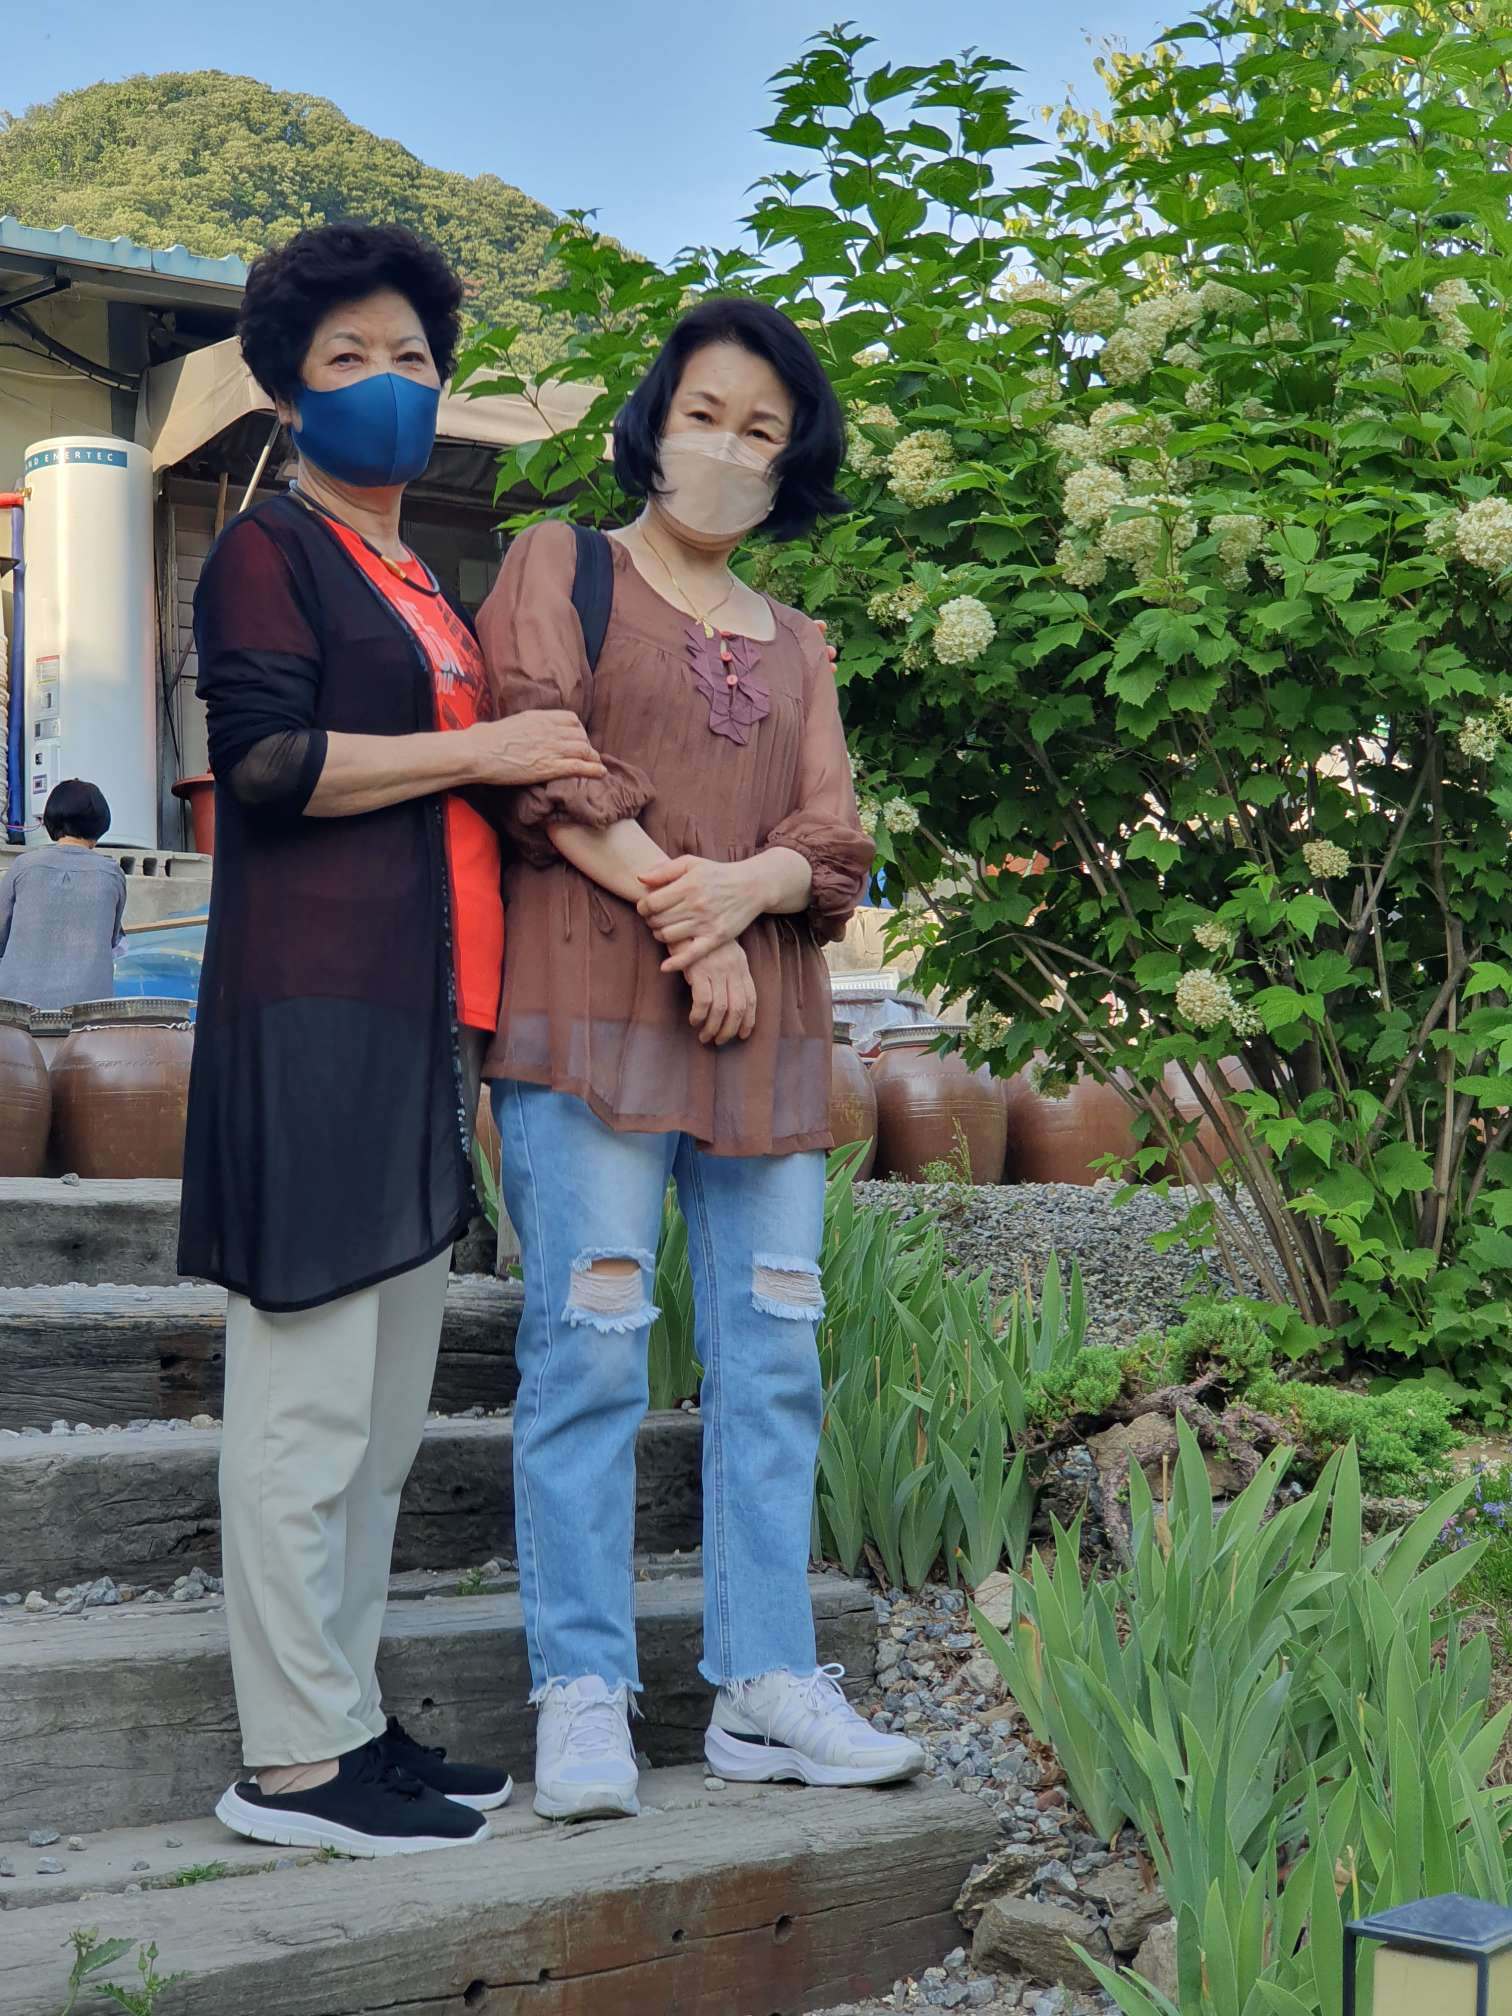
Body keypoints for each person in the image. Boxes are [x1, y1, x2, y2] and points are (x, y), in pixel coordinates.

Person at [178, 221, 605, 1857]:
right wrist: (486, 747)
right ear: (290, 391)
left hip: (429, 1017)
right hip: (314, 1010)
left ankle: (345, 1716)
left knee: (384, 1410)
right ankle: (289, 1764)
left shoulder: (422, 582)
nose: (388, 383)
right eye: (348, 357)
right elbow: (268, 762)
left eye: (413, 358)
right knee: (307, 1402)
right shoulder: (267, 549)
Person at [477, 296, 926, 1821]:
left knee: (777, 1356)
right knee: (593, 1347)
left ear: (793, 464)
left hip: (767, 1046)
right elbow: (546, 759)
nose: (728, 449)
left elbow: (835, 841)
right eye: (704, 415)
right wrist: (703, 915)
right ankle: (582, 1690)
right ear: (652, 423)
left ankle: (764, 1683)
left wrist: (747, 895)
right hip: (593, 1018)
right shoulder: (564, 567)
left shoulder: (801, 645)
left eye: (762, 431)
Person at [0, 779, 127, 1008]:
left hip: (18, 1011)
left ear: (51, 821)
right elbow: (112, 940)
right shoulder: (112, 874)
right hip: (88, 1014)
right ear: (101, 825)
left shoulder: (23, 866)